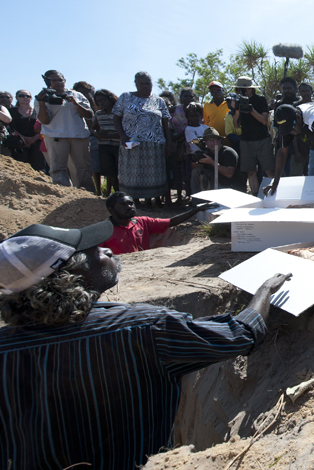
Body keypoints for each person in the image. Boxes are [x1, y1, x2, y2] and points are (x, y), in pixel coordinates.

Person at [0, 220, 290, 469]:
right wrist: (263, 290)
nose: (107, 249)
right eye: (91, 250)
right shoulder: (144, 328)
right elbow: (241, 335)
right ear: (67, 276)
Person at [113, 71, 171, 208]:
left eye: (148, 83)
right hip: (132, 143)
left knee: (154, 175)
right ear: (136, 84)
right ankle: (134, 202)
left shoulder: (159, 101)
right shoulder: (125, 97)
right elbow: (116, 117)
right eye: (141, 83)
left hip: (155, 145)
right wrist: (122, 135)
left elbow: (166, 123)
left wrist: (169, 143)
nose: (145, 86)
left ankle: (152, 201)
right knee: (132, 174)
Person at [264, 103, 314, 196]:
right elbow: (283, 152)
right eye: (288, 129)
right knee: (312, 181)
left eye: (292, 127)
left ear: (298, 117)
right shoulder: (288, 126)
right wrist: (275, 183)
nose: (292, 132)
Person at [101, 191, 215, 253]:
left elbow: (171, 222)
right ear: (111, 209)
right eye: (123, 205)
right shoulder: (103, 231)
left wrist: (196, 210)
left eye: (130, 203)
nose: (129, 207)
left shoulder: (143, 222)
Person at [36, 70, 95, 190]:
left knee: (83, 167)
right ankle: (63, 193)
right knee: (58, 168)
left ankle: (87, 195)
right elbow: (44, 120)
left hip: (78, 135)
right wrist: (42, 103)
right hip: (55, 135)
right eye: (53, 80)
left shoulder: (76, 95)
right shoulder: (42, 96)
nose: (57, 83)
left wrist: (75, 103)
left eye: (60, 80)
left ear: (65, 81)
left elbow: (89, 115)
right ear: (48, 81)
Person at [229, 77, 273, 195]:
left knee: (269, 170)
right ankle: (255, 195)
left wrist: (251, 109)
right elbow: (236, 126)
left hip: (263, 140)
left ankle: (273, 194)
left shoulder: (260, 100)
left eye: (247, 89)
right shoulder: (237, 102)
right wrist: (237, 110)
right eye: (242, 89)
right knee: (251, 171)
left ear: (252, 89)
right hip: (246, 141)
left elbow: (264, 121)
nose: (245, 92)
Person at [191, 127, 247, 192]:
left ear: (219, 140)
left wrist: (212, 162)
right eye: (209, 141)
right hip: (213, 185)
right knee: (196, 171)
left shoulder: (228, 152)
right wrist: (195, 161)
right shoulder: (207, 153)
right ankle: (197, 200)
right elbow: (194, 168)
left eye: (214, 140)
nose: (212, 143)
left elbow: (229, 174)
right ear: (205, 142)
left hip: (232, 187)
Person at [93, 89, 121, 196]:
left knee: (121, 173)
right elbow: (93, 128)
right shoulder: (98, 114)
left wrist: (109, 134)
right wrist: (97, 134)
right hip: (104, 145)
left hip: (118, 144)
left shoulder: (119, 113)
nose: (101, 103)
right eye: (98, 101)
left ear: (110, 99)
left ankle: (124, 194)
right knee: (110, 173)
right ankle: (117, 194)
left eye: (103, 100)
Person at [9, 90, 45, 172]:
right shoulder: (12, 111)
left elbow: (43, 124)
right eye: (22, 96)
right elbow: (11, 127)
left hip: (37, 141)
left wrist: (34, 139)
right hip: (19, 143)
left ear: (31, 98)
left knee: (38, 167)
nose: (25, 98)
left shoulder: (37, 110)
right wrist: (23, 138)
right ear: (17, 98)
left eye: (28, 96)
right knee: (21, 167)